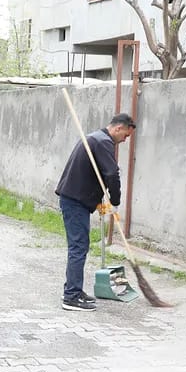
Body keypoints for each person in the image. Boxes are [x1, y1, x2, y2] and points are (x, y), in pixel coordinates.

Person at [54, 112, 136, 312]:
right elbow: (111, 173)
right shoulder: (103, 142)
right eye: (125, 135)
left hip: (76, 199)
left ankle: (75, 290)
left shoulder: (97, 139)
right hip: (74, 201)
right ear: (118, 128)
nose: (125, 140)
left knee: (80, 246)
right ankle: (71, 296)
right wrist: (115, 200)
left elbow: (93, 174)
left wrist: (99, 201)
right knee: (78, 247)